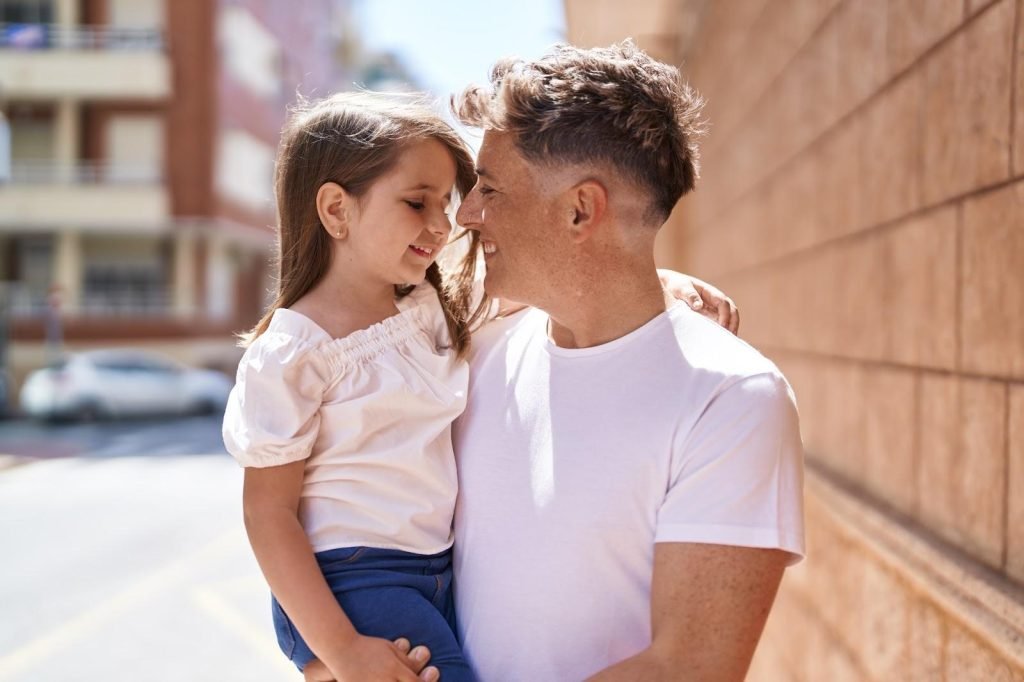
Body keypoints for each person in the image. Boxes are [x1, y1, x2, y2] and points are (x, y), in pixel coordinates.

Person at [221, 91, 736, 682]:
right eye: (417, 202)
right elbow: (267, 514)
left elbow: (559, 282)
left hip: (435, 572)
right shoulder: (294, 353)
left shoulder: (428, 309)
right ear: (337, 210)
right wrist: (342, 650)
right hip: (354, 582)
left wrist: (661, 281)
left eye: (446, 202)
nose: (443, 225)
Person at [449, 41, 805, 681]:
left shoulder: (732, 398)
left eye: (491, 188)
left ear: (580, 209)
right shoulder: (477, 353)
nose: (469, 213)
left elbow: (688, 669)